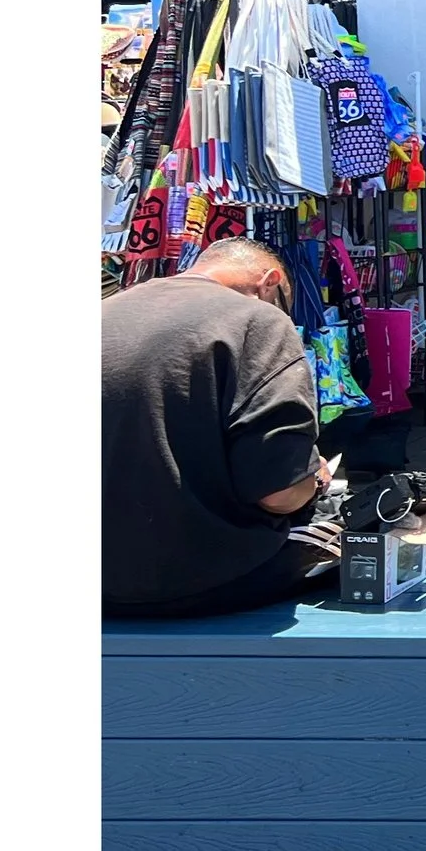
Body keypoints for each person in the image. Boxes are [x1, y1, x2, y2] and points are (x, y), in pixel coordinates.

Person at [103, 237, 338, 617]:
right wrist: (312, 478)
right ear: (269, 282)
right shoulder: (258, 318)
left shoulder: (105, 311)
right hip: (204, 580)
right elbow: (279, 492)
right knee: (358, 535)